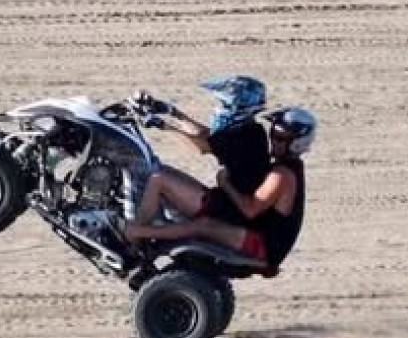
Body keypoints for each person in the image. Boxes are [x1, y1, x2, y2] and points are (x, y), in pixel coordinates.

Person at [119, 101, 316, 268]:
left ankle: (135, 233)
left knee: (204, 226)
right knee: (163, 177)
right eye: (272, 135)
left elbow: (250, 209)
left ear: (296, 143)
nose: (274, 142)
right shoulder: (283, 166)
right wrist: (172, 114)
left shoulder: (282, 175)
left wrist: (226, 182)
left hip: (264, 246)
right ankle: (139, 236)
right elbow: (209, 138)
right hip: (259, 233)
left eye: (280, 138)